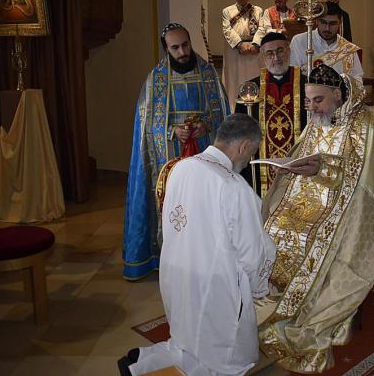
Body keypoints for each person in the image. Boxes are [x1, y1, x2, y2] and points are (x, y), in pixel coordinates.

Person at [256, 65, 374, 373]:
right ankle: (270, 291)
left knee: (309, 239)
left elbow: (359, 178)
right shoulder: (317, 119)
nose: (311, 108)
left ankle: (298, 303)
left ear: (337, 96)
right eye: (308, 101)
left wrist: (320, 171)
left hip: (346, 208)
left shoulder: (360, 125)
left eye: (318, 101)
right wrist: (286, 166)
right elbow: (304, 151)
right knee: (274, 223)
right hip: (305, 197)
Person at [120, 114, 277, 376]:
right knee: (228, 360)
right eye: (251, 153)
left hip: (177, 276)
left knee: (187, 338)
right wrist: (259, 288)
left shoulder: (181, 168)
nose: (248, 160)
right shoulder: (234, 187)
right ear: (243, 147)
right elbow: (253, 253)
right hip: (215, 287)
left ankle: (142, 363)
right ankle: (150, 365)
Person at [122, 23, 230, 281]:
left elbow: (222, 114)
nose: (182, 52)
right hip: (170, 156)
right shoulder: (156, 79)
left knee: (203, 204)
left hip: (204, 151)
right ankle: (169, 257)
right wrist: (172, 131)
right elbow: (147, 125)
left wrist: (207, 125)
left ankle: (206, 256)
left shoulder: (208, 74)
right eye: (175, 47)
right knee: (175, 205)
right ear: (166, 49)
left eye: (185, 45)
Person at [235, 32, 307, 197]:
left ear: (289, 51)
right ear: (262, 57)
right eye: (269, 53)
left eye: (280, 51)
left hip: (298, 168)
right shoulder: (249, 90)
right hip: (259, 174)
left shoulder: (306, 85)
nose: (276, 57)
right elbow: (239, 132)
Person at [289, 1, 363, 82]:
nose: (327, 28)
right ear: (316, 20)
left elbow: (357, 82)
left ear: (340, 22)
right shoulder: (299, 41)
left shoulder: (348, 50)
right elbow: (293, 77)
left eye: (333, 24)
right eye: (323, 22)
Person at [223, 0, 266, 109]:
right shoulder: (227, 11)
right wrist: (240, 44)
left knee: (253, 77)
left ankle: (256, 106)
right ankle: (234, 108)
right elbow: (227, 30)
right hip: (236, 51)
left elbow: (262, 28)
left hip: (254, 50)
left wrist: (256, 43)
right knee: (235, 79)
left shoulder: (258, 11)